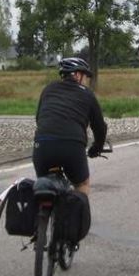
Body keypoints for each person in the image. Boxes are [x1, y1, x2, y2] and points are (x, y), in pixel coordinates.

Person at [32, 57, 108, 196]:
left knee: (43, 186)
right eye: (85, 76)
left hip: (42, 144)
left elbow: (39, 118)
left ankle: (39, 208)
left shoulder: (48, 89)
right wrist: (96, 148)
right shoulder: (87, 94)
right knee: (82, 184)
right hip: (71, 145)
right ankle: (80, 210)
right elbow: (99, 127)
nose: (86, 81)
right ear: (77, 75)